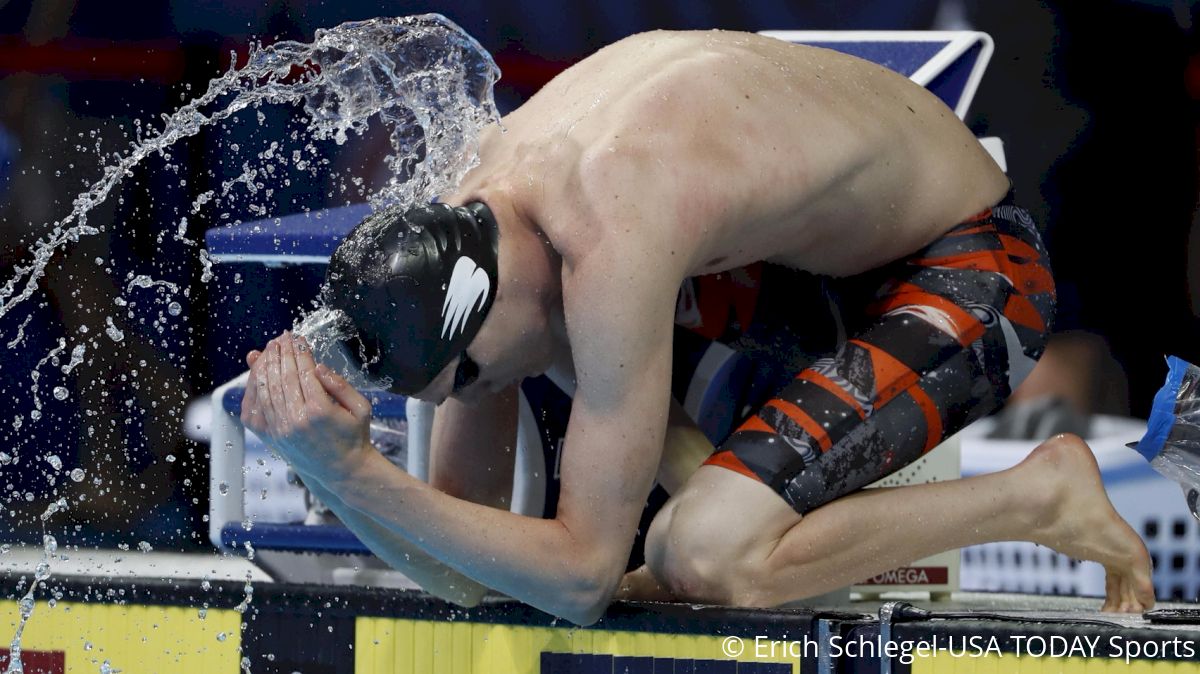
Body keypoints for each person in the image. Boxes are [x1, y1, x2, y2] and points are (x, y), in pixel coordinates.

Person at [240, 29, 1154, 624]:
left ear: (479, 315)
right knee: (580, 383)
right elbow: (464, 566)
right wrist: (342, 472)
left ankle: (1040, 496)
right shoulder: (480, 234)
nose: (483, 397)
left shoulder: (607, 222)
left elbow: (577, 582)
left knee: (702, 554)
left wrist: (353, 472)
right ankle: (711, 483)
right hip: (803, 279)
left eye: (475, 380)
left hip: (973, 272)